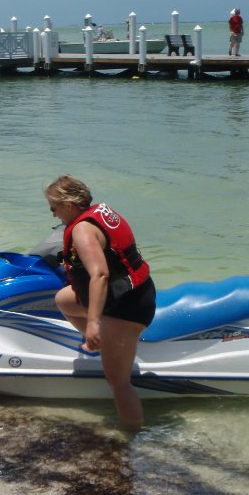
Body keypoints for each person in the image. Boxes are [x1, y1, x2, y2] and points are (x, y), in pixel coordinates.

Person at [45, 175, 156, 430]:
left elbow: (100, 274)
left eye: (54, 208)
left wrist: (93, 323)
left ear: (69, 205)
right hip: (133, 292)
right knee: (64, 300)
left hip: (127, 308)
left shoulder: (83, 230)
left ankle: (133, 437)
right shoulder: (101, 212)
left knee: (118, 382)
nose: (53, 215)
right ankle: (106, 343)